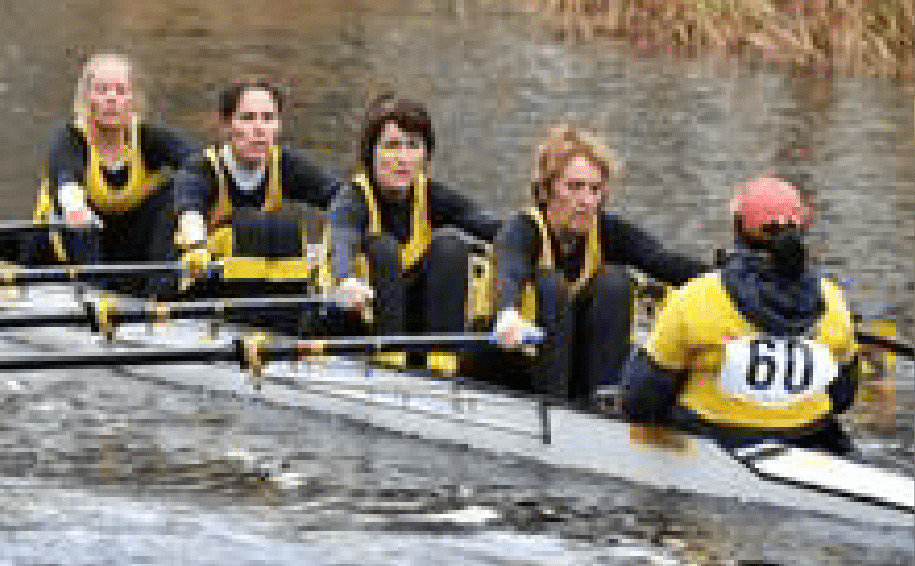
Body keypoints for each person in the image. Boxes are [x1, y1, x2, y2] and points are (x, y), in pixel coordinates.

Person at [621, 177, 859, 455]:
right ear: (801, 232)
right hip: (810, 434)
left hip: (717, 439)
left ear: (738, 229)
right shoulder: (832, 299)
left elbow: (640, 401)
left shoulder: (695, 296)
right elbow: (843, 396)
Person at [492, 124, 708, 401]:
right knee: (551, 285)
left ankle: (605, 406)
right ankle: (555, 406)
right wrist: (507, 314)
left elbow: (663, 261)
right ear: (546, 190)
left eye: (595, 189)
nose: (586, 200)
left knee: (615, 281)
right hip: (522, 366)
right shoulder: (522, 229)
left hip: (582, 369)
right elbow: (509, 271)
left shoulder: (605, 230)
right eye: (574, 187)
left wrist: (733, 278)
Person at [323, 93, 500, 374]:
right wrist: (345, 278)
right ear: (371, 153)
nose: (403, 158)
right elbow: (341, 238)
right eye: (392, 146)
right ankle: (389, 362)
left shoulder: (431, 195)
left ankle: (443, 366)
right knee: (383, 248)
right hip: (360, 321)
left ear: (425, 154)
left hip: (413, 323)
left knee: (451, 247)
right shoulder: (352, 199)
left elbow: (492, 226)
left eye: (413, 146)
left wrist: (543, 230)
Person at [173, 79, 341, 314]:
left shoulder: (286, 164)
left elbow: (342, 199)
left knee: (285, 229)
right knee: (258, 225)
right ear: (226, 126)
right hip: (210, 286)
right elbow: (189, 211)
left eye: (268, 118)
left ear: (278, 126)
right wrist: (196, 245)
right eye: (248, 118)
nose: (259, 128)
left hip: (267, 286)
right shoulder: (201, 168)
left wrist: (339, 248)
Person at [30, 52, 195, 289]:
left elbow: (200, 165)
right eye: (101, 90)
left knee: (181, 188)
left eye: (120, 91)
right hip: (63, 248)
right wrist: (74, 206)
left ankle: (160, 290)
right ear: (87, 98)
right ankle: (94, 293)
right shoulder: (70, 139)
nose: (111, 98)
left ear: (132, 100)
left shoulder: (148, 138)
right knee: (80, 216)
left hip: (122, 246)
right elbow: (65, 178)